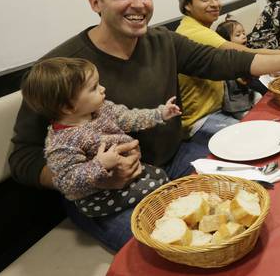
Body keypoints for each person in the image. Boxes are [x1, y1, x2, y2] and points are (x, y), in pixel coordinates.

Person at [8, 0, 280, 251]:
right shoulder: (61, 69)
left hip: (173, 160)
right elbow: (23, 157)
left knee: (248, 195)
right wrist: (98, 176)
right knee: (177, 248)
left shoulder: (162, 41)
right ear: (95, 3)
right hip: (106, 197)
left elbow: (224, 59)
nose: (138, 4)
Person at [21, 57, 179, 217]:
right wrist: (99, 165)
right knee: (155, 190)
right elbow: (66, 181)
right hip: (97, 197)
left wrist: (159, 114)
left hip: (129, 171)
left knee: (161, 176)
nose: (102, 89)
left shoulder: (101, 109)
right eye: (94, 88)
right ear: (68, 106)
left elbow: (129, 117)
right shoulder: (61, 142)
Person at [171, 0, 280, 135]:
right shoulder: (194, 32)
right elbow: (247, 54)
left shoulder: (199, 27)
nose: (214, 4)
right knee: (262, 134)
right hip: (202, 119)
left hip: (224, 106)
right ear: (187, 6)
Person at [215, 19, 262, 119]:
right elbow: (243, 80)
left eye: (243, 33)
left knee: (259, 97)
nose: (244, 36)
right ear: (226, 41)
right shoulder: (227, 60)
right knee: (248, 117)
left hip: (248, 94)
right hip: (236, 103)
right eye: (238, 35)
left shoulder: (244, 54)